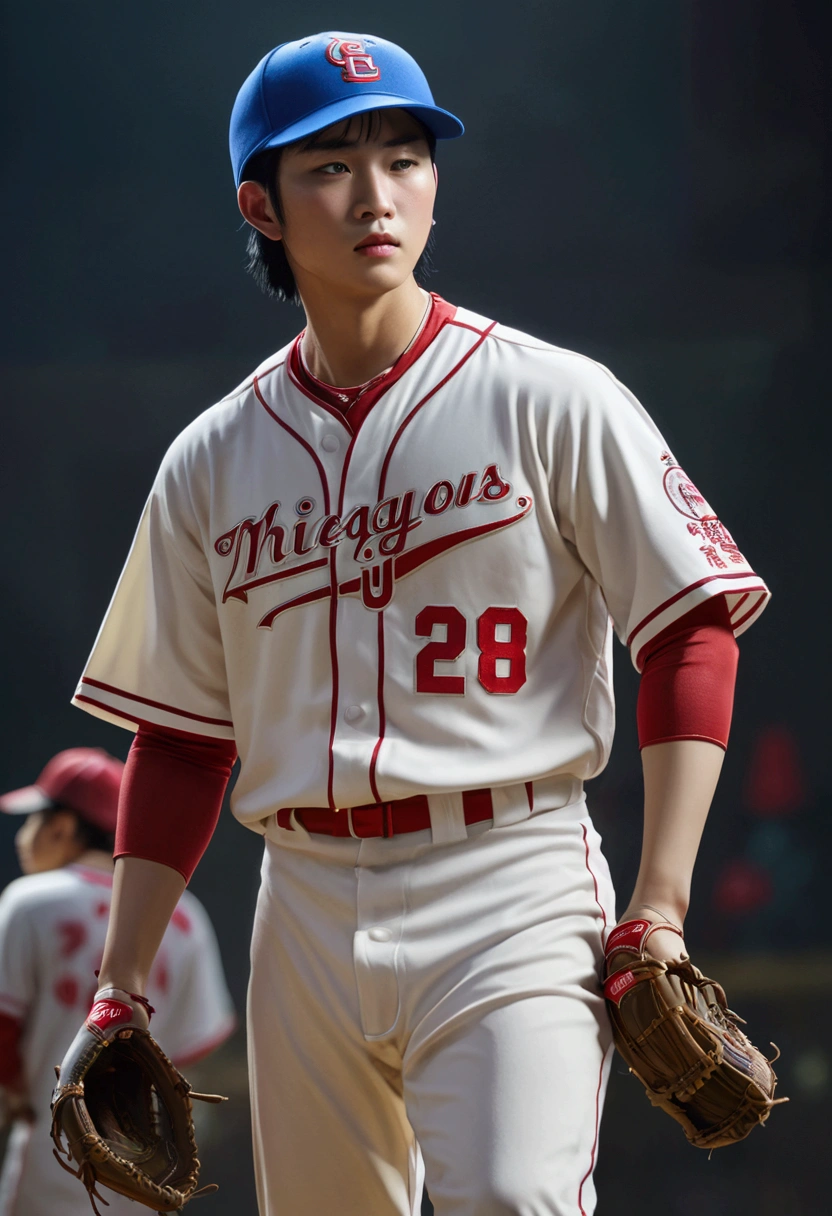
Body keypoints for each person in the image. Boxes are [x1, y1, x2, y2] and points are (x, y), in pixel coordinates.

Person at [67, 31, 769, 1216]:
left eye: (405, 157)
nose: (377, 194)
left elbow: (690, 631)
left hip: (512, 875)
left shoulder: (551, 394)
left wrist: (658, 902)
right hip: (301, 895)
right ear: (263, 203)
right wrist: (118, 983)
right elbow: (184, 738)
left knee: (508, 1195)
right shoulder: (210, 460)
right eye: (332, 165)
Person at [0, 747, 236, 1216]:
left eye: (33, 821)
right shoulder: (185, 916)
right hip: (143, 1168)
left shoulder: (30, 901)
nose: (23, 836)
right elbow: (191, 1052)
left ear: (63, 828)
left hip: (49, 1156)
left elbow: (4, 1038)